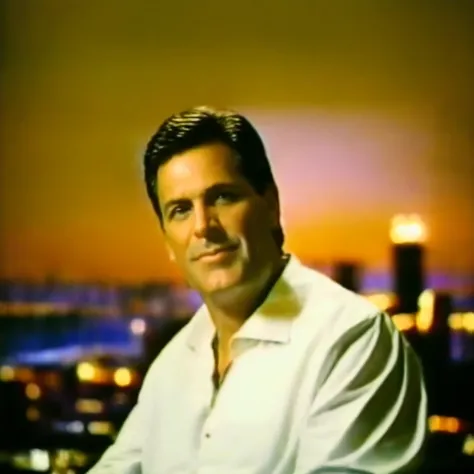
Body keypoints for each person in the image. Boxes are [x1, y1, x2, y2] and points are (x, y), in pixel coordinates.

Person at [88, 106, 427, 474]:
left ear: (270, 206)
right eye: (181, 209)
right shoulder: (172, 366)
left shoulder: (352, 341)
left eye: (222, 197)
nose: (203, 227)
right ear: (168, 243)